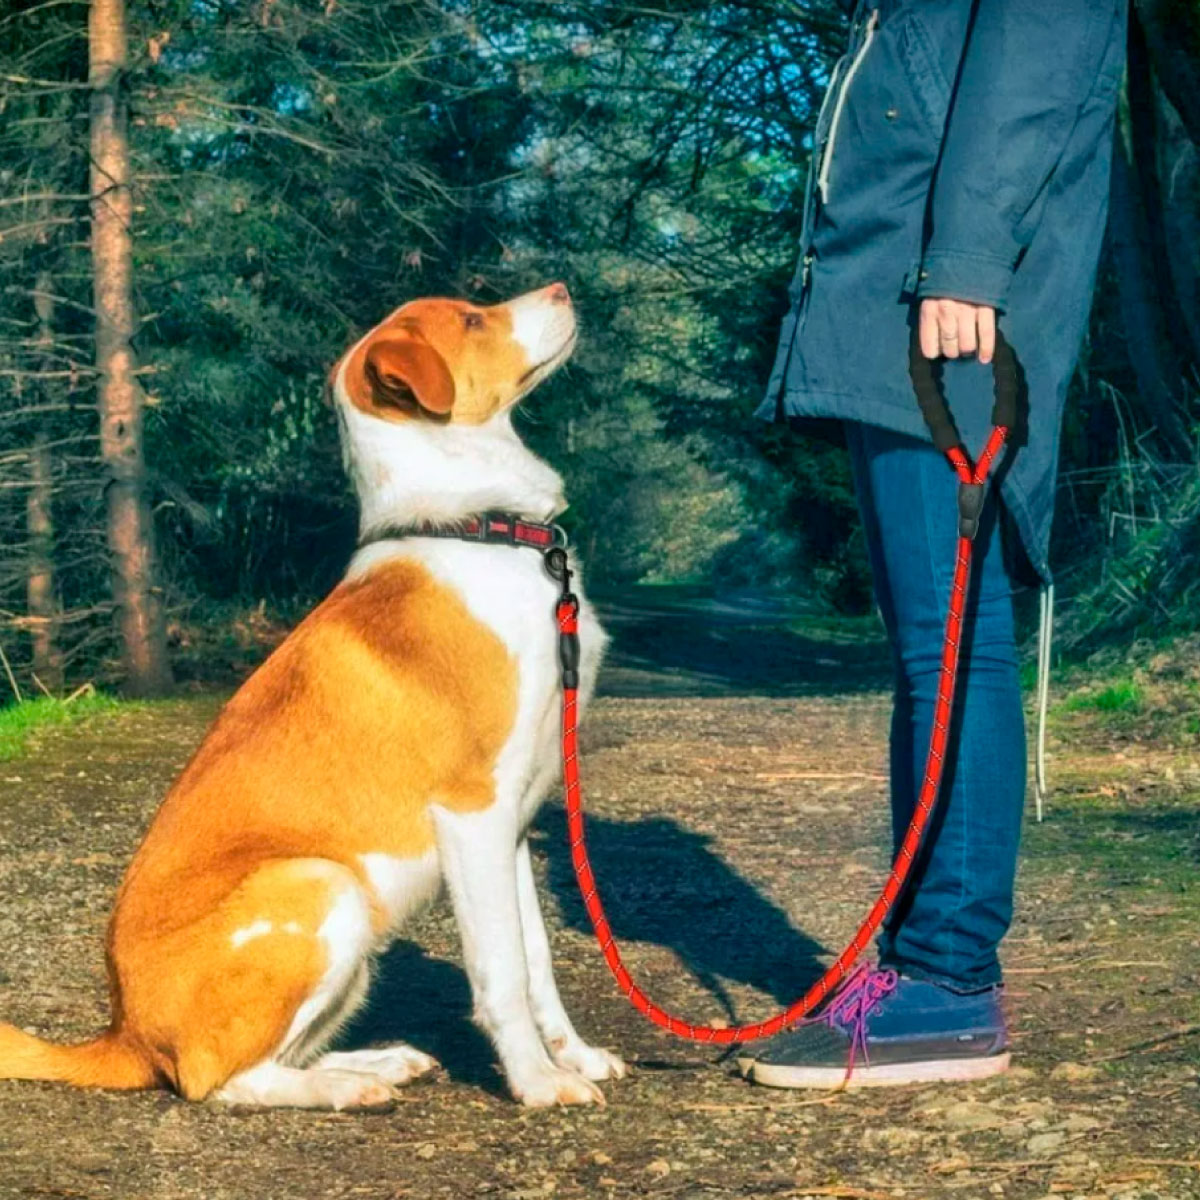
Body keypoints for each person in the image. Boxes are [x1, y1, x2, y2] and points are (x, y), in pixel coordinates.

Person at [739, 0, 1128, 1089]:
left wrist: (963, 257)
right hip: (903, 302)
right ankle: (921, 967)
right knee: (937, 646)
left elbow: (1037, 66)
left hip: (944, 307)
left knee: (953, 648)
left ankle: (949, 985)